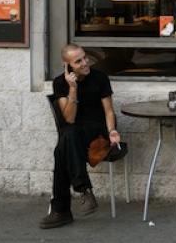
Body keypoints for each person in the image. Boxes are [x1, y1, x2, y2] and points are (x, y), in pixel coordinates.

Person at [39, 44, 121, 229]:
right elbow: (69, 118)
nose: (85, 63)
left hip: (97, 133)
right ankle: (83, 191)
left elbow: (109, 111)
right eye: (78, 61)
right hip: (75, 135)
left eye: (85, 57)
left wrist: (112, 131)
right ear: (67, 66)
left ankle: (63, 209)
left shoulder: (100, 78)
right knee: (68, 139)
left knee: (63, 147)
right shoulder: (60, 83)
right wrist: (73, 88)